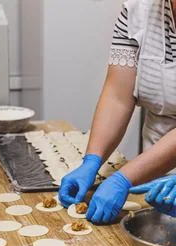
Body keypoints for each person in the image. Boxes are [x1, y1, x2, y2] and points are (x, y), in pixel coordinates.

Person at [59, 0, 176, 223]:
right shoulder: (138, 10)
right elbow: (117, 96)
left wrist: (124, 178)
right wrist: (92, 160)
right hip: (152, 166)